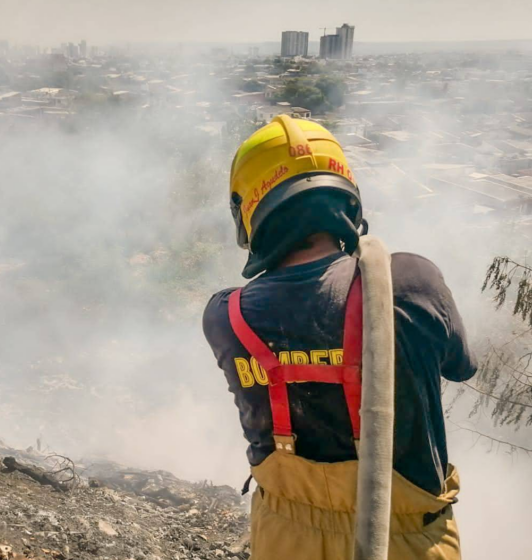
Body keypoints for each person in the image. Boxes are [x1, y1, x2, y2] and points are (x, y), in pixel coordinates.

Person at [202, 115, 477, 559]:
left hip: (282, 539)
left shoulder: (226, 315)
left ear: (249, 212)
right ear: (347, 198)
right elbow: (461, 366)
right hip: (404, 542)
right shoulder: (408, 281)